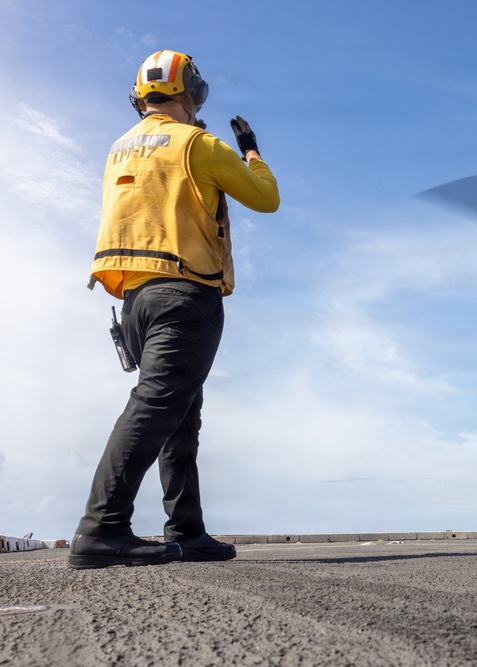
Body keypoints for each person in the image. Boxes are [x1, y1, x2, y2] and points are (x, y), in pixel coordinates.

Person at [69, 50, 280, 569]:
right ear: (192, 92)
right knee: (157, 406)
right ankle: (102, 528)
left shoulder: (120, 148)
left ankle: (187, 530)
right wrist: (250, 151)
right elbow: (266, 198)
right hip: (184, 295)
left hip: (134, 302)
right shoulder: (198, 143)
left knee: (179, 416)